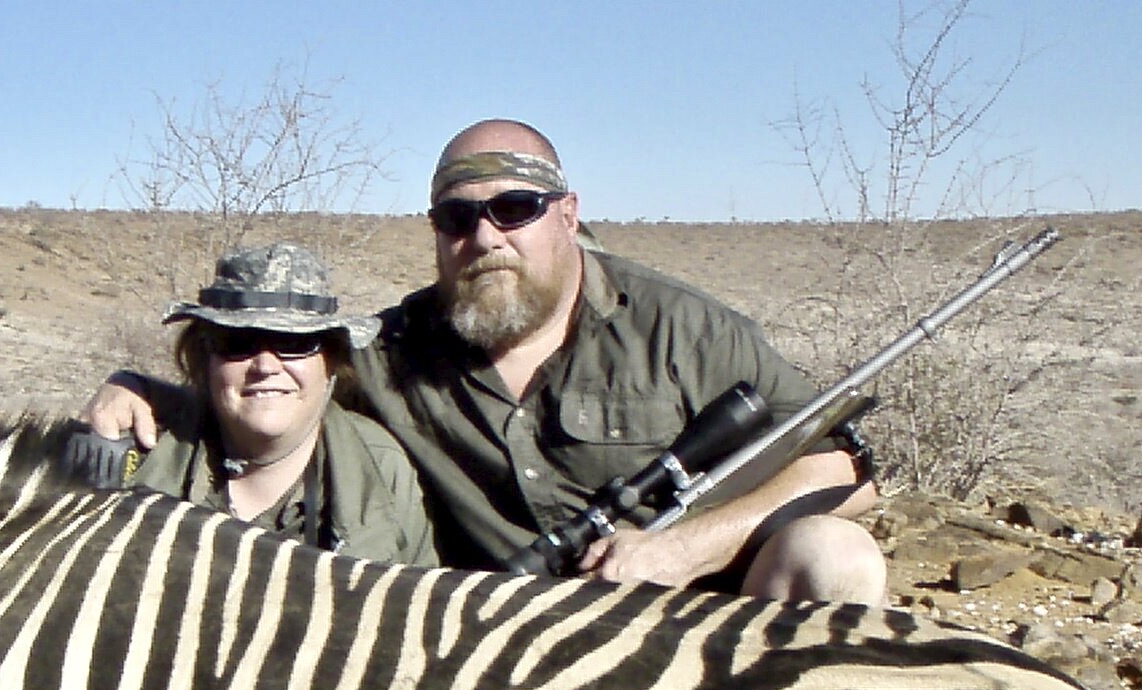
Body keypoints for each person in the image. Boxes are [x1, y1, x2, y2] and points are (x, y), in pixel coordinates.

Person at [88, 120, 886, 605]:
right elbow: (278, 386)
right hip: (503, 648)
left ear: (567, 216)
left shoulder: (683, 329)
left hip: (693, 621)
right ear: (435, 231)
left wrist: (686, 549)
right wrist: (147, 393)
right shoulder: (390, 352)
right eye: (458, 218)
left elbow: (845, 468)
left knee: (833, 556)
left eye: (514, 210)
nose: (486, 237)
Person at [119, 241, 436, 566]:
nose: (265, 366)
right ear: (204, 359)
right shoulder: (133, 461)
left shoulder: (383, 469)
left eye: (293, 343)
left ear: (331, 361)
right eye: (237, 342)